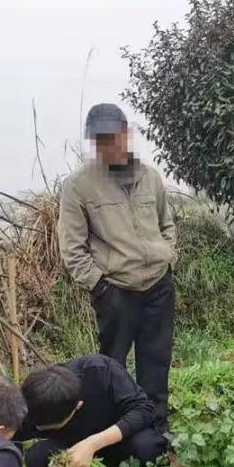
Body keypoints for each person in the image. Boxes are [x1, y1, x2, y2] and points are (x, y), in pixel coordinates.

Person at [59, 103, 177, 434]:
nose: (107, 146)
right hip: (115, 292)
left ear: (127, 133)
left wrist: (167, 254)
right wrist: (99, 287)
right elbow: (71, 247)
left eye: (112, 137)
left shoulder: (149, 177)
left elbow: (167, 224)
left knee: (156, 363)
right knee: (112, 369)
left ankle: (157, 431)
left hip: (158, 285)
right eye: (99, 141)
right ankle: (118, 433)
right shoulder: (79, 185)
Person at [17, 353, 167, 467]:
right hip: (70, 453)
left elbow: (144, 409)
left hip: (116, 443)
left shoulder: (100, 370)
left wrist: (92, 444)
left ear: (78, 406)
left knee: (147, 446)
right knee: (37, 459)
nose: (38, 429)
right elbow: (1, 434)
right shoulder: (31, 401)